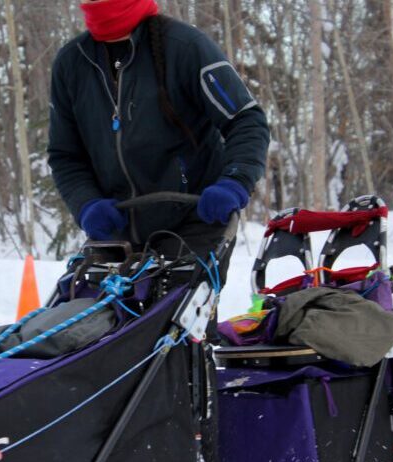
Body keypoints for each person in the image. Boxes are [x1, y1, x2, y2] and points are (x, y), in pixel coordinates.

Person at [48, 0, 270, 278]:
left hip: (195, 221)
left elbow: (246, 120)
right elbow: (65, 155)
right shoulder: (72, 62)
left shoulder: (185, 47)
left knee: (172, 319)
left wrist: (234, 182)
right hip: (115, 230)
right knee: (83, 314)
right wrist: (86, 203)